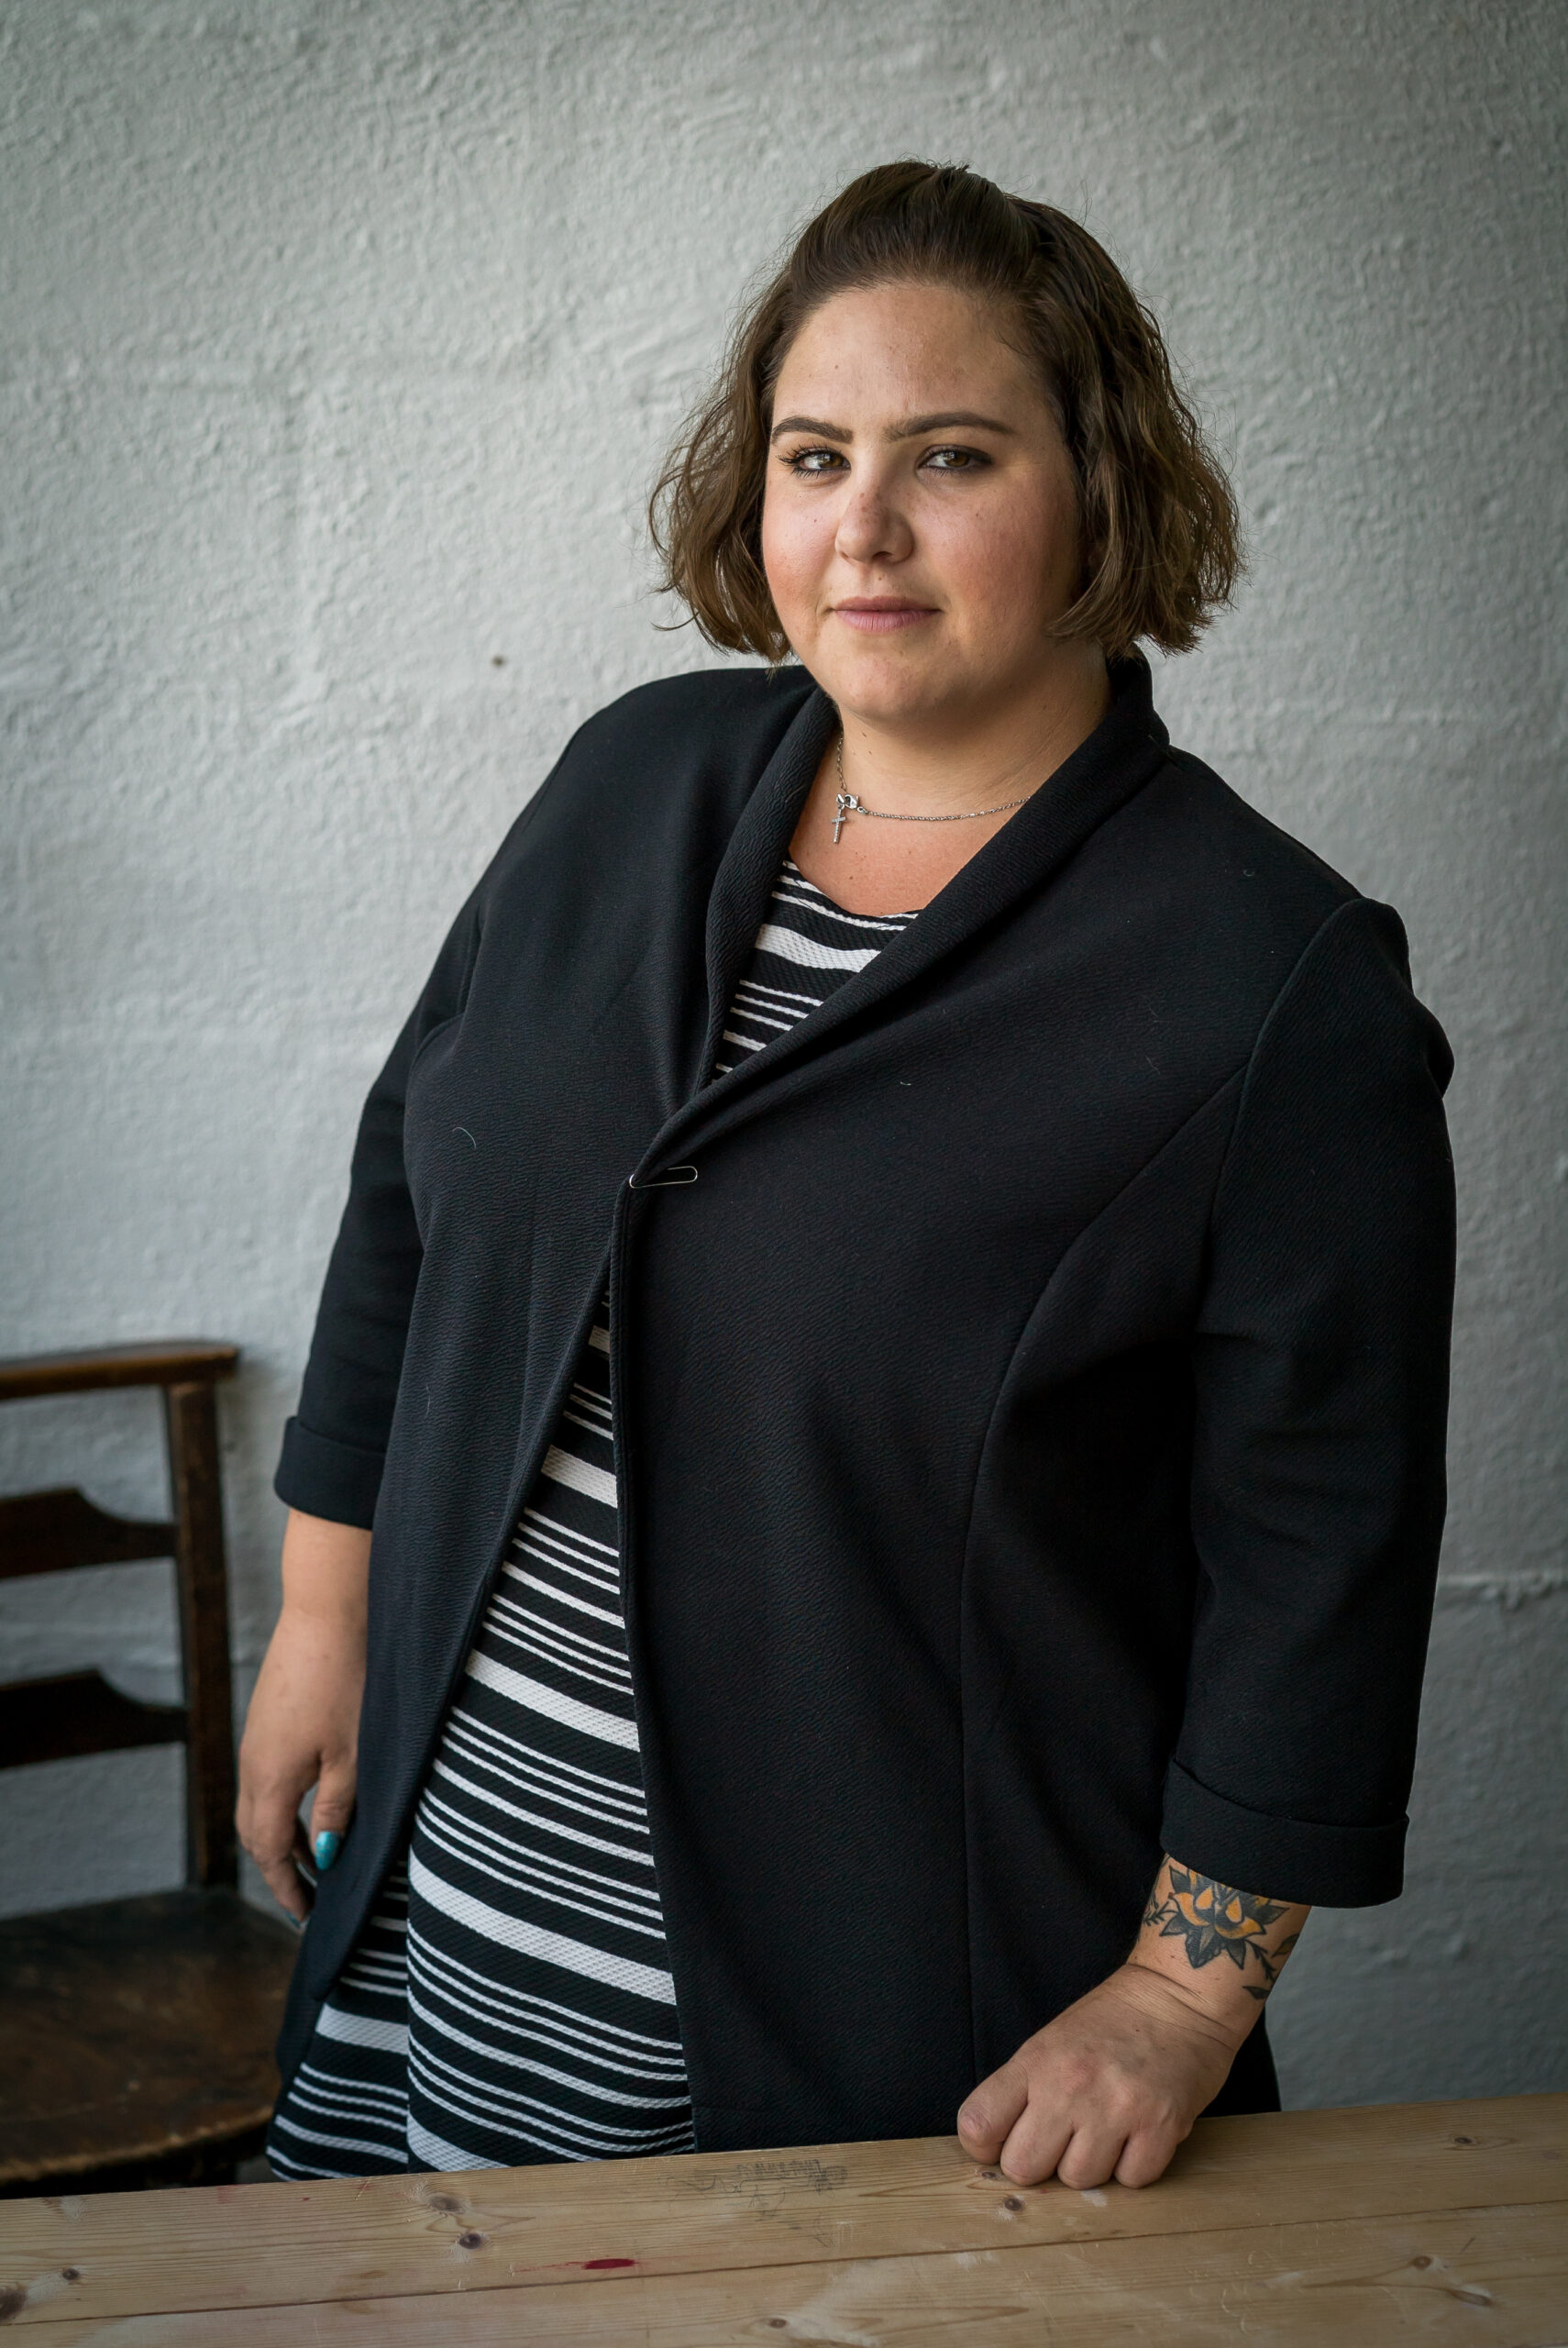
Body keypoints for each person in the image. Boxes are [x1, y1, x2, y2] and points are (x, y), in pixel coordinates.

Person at [240, 161, 1454, 2191]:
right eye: (816, 456)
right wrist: (321, 1613)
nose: (860, 529)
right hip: (437, 1939)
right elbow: (409, 1190)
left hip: (875, 2056)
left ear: (1101, 487)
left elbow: (1321, 1549)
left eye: (950, 456)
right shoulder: (631, 780)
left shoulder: (1272, 980)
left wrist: (1184, 1988)